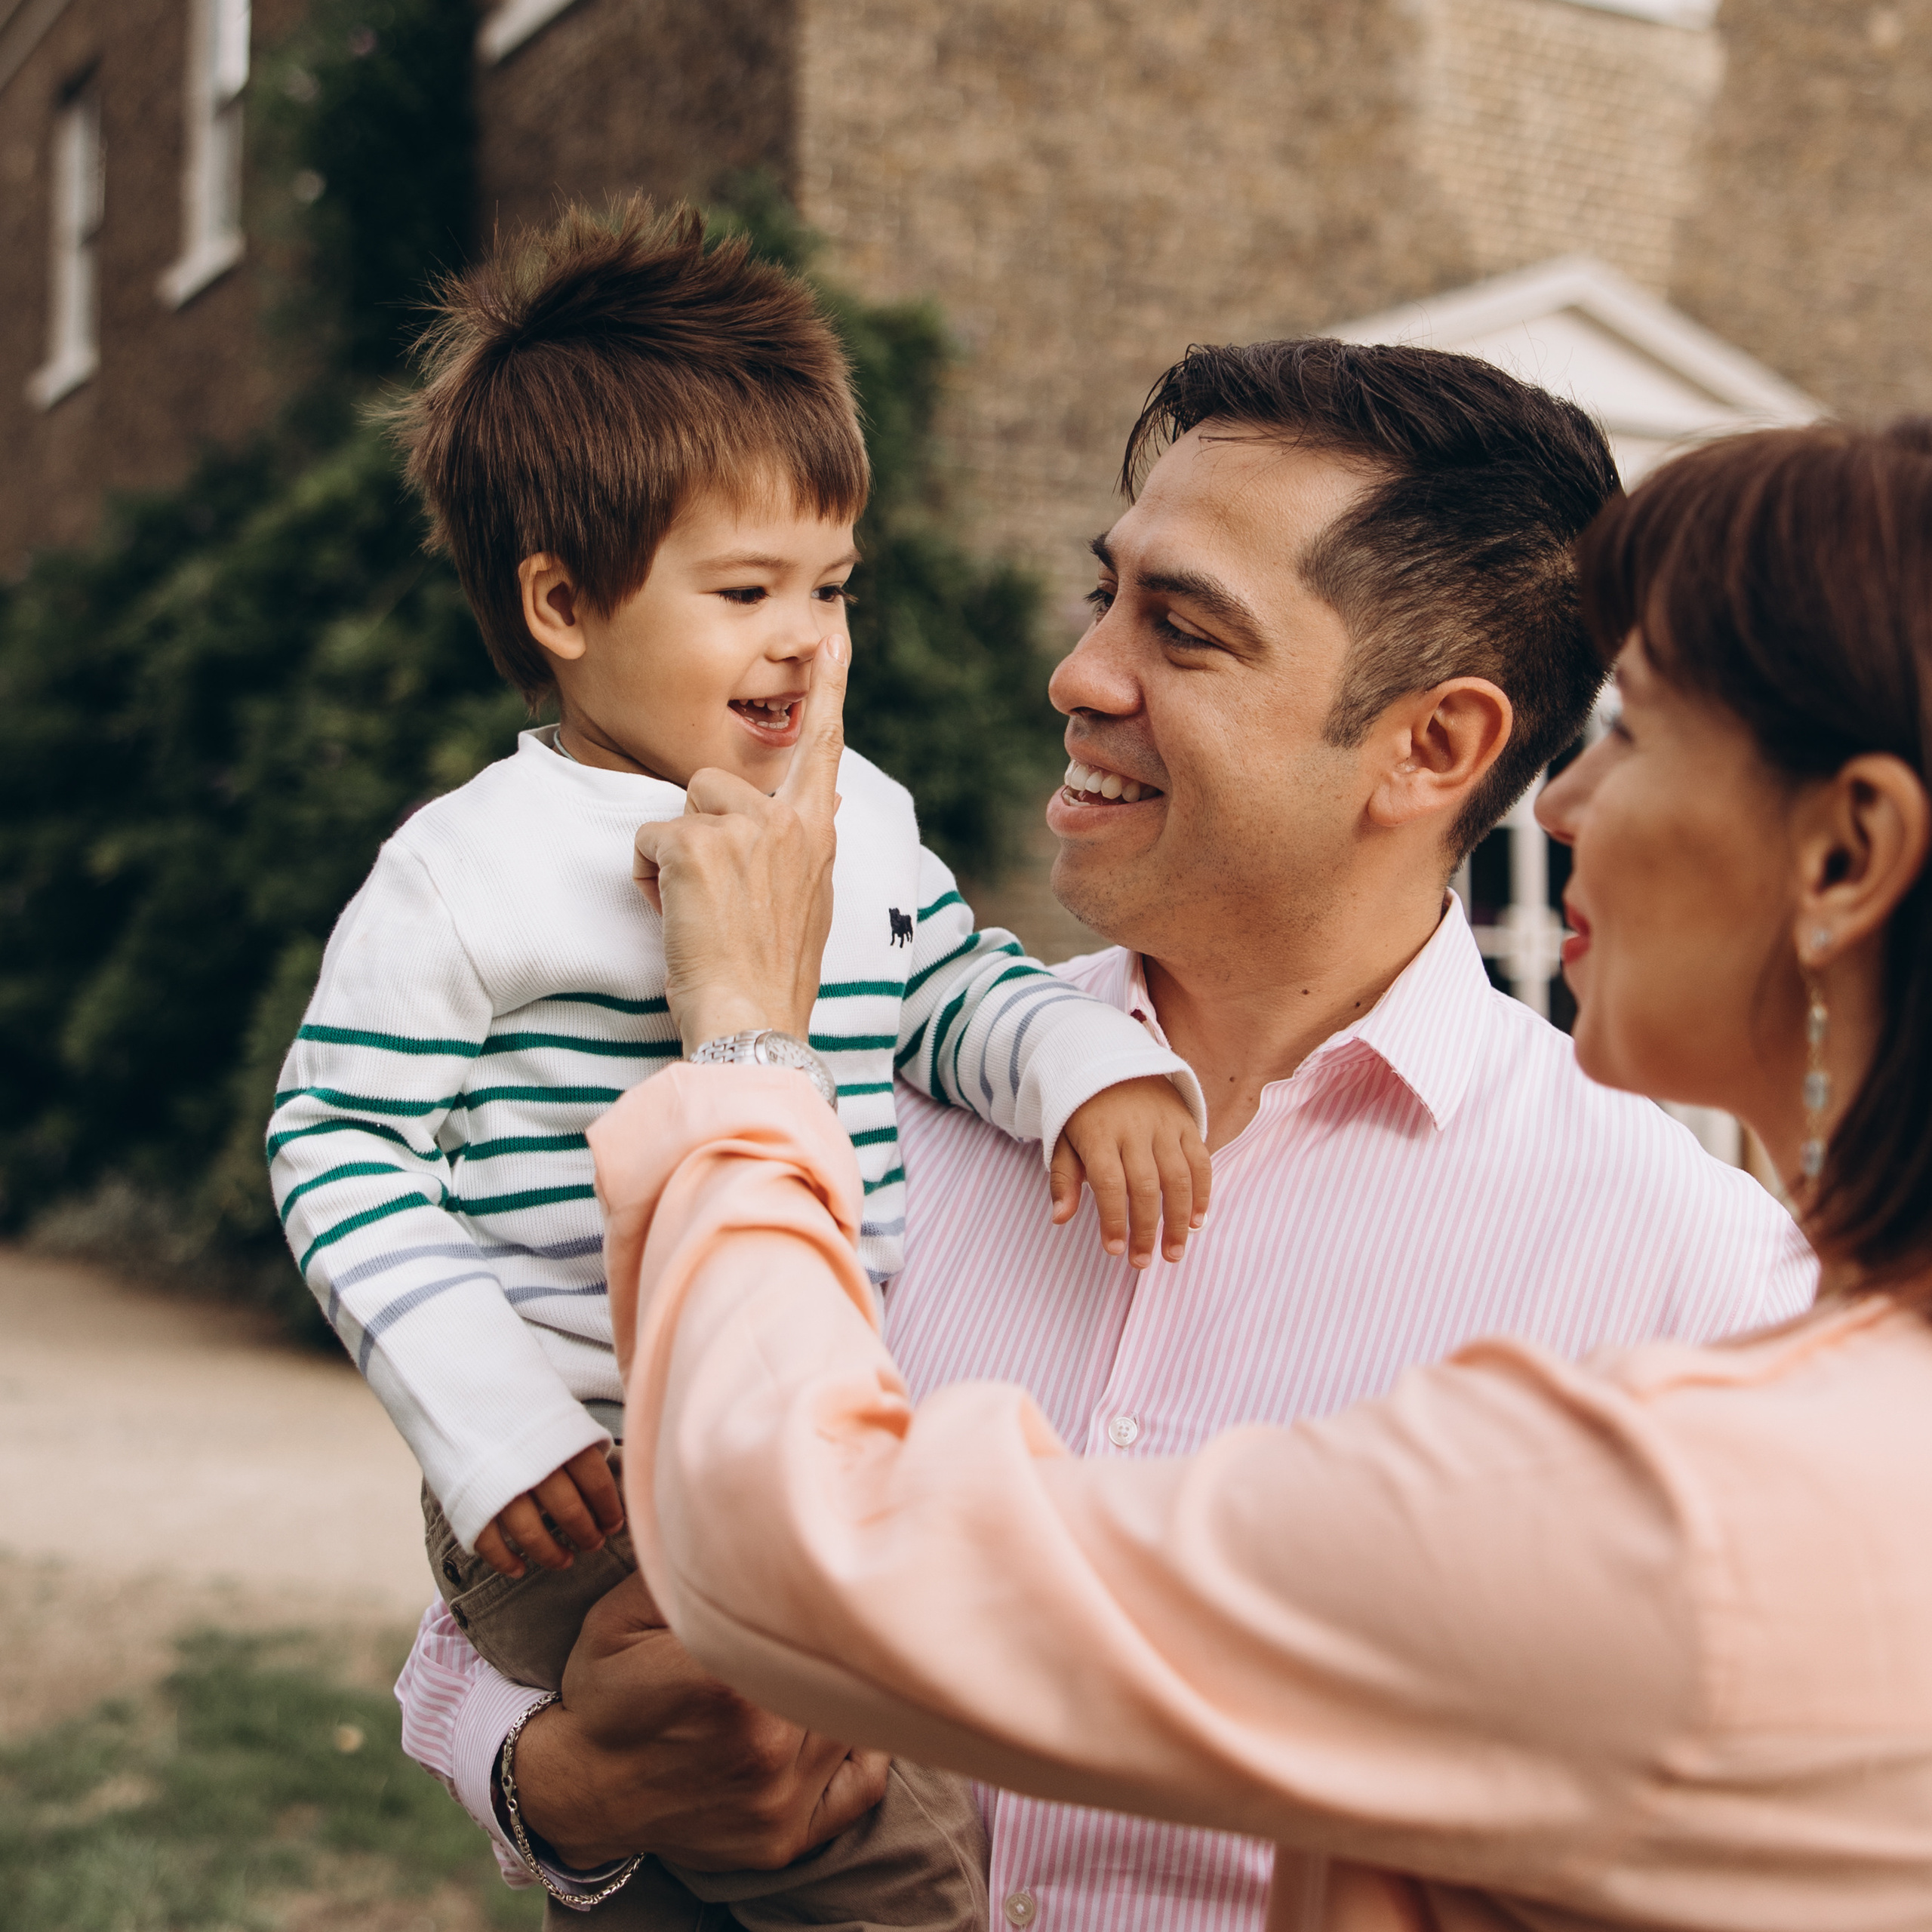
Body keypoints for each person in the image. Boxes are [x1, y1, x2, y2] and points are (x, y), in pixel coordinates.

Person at [394, 343, 1814, 1928]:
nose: (1078, 674)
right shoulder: (835, 1089)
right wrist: (570, 1789)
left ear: (1431, 746)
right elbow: (489, 1613)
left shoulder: (1696, 1285)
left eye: (1182, 629)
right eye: (1104, 593)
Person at [269, 198, 1215, 1932]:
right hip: (585, 1479)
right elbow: (337, 1140)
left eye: (830, 585)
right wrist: (495, 1424)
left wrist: (1087, 1062)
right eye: (744, 590)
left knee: (867, 1797)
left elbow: (953, 986)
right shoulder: (467, 866)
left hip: (798, 1433)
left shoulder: (859, 818)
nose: (803, 635)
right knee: (864, 1851)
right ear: (562, 600)